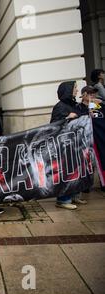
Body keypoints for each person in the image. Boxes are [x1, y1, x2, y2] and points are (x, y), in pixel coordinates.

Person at [50, 81, 84, 210]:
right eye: (75, 88)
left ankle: (75, 195)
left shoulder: (73, 104)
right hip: (64, 146)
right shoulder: (60, 106)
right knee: (67, 172)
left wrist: (93, 101)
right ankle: (63, 200)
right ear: (68, 90)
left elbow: (91, 114)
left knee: (77, 171)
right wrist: (67, 117)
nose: (76, 90)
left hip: (75, 144)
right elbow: (53, 125)